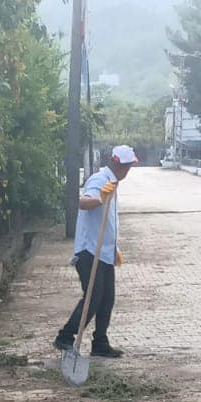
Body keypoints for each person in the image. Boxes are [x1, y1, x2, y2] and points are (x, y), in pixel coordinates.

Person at [53, 143, 138, 359]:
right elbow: (82, 203)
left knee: (107, 298)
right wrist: (100, 197)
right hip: (89, 251)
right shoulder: (100, 180)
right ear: (117, 164)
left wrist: (113, 248)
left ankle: (100, 342)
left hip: (104, 252)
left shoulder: (113, 182)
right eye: (126, 166)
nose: (128, 171)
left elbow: (106, 220)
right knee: (93, 296)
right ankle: (65, 336)